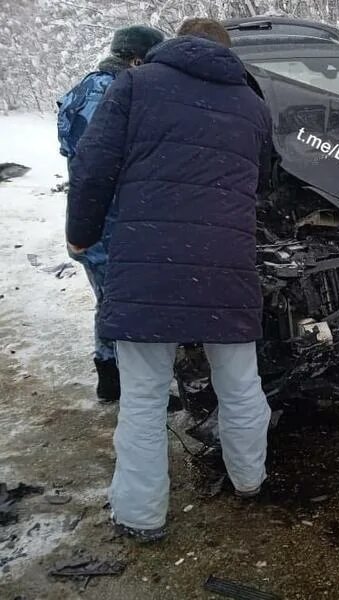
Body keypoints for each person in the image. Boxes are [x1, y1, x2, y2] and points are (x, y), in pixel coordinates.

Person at [66, 18, 273, 542]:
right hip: (226, 265)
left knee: (143, 397)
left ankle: (140, 517)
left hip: (149, 264)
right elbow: (266, 181)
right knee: (241, 386)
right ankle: (250, 481)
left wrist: (80, 234)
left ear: (175, 43)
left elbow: (93, 165)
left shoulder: (135, 85)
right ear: (227, 53)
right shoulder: (251, 101)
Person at [57, 25, 165, 402]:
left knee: (110, 298)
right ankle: (128, 384)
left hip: (97, 213)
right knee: (122, 302)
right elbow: (97, 162)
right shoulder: (108, 93)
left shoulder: (88, 88)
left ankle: (112, 377)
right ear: (136, 59)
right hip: (109, 216)